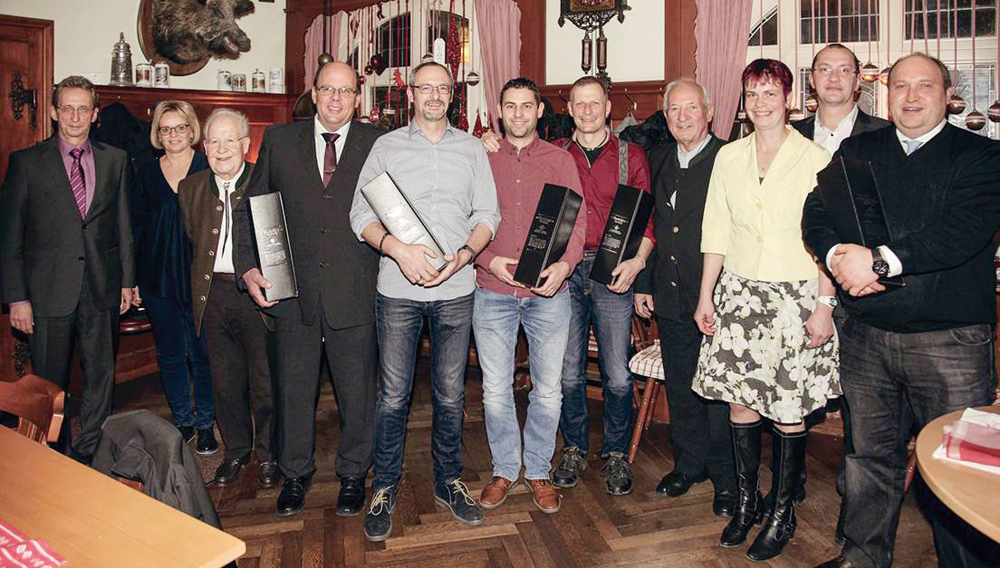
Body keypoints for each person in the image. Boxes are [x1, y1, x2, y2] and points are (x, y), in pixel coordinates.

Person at [804, 52, 1000, 568]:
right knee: (868, 459)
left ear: (948, 93)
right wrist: (835, 256)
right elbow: (817, 211)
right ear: (885, 95)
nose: (911, 97)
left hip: (951, 342)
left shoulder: (982, 156)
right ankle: (863, 557)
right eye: (900, 87)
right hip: (867, 336)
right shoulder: (859, 149)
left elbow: (960, 233)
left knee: (958, 469)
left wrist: (881, 263)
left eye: (924, 86)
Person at [692, 59, 840, 561]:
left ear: (789, 98)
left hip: (794, 297)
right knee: (740, 403)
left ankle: (783, 511)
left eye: (770, 92)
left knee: (788, 408)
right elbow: (715, 229)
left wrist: (823, 305)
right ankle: (748, 504)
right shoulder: (729, 157)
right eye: (752, 93)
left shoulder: (816, 157)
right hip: (738, 294)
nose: (760, 102)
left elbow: (827, 240)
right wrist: (705, 294)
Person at [350, 61, 500, 542]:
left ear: (451, 95)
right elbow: (361, 214)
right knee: (393, 396)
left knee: (451, 395)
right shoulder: (385, 147)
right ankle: (385, 485)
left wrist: (465, 255)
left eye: (443, 88)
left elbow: (488, 215)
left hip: (457, 291)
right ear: (410, 94)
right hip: (398, 290)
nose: (434, 95)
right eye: (426, 88)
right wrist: (396, 249)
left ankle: (449, 481)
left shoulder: (472, 148)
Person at [485, 75, 654, 495]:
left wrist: (638, 261)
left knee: (616, 372)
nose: (587, 111)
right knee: (568, 372)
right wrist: (488, 140)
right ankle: (575, 447)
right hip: (559, 270)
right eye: (578, 104)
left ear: (607, 108)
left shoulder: (630, 155)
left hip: (611, 269)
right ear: (568, 110)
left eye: (594, 103)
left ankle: (615, 453)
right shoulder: (556, 153)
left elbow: (647, 218)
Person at [234, 61, 384, 518]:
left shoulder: (379, 144)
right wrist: (248, 268)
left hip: (355, 290)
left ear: (358, 98)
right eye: (327, 90)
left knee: (358, 392)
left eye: (346, 91)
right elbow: (251, 210)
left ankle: (355, 474)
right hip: (291, 291)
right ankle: (295, 474)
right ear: (313, 94)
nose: (336, 99)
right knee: (293, 389)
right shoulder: (279, 142)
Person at [0, 75, 134, 462]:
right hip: (47, 291)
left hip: (101, 287)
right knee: (49, 382)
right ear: (55, 113)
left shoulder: (115, 160)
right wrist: (17, 298)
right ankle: (53, 454)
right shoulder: (26, 163)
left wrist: (127, 280)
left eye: (83, 108)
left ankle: (93, 449)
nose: (75, 116)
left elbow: (123, 224)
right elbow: (10, 238)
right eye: (67, 108)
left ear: (95, 115)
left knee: (100, 377)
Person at [474, 77, 586, 515]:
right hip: (493, 291)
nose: (518, 114)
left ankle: (538, 470)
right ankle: (505, 469)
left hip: (547, 293)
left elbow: (576, 224)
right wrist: (487, 259)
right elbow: (465, 218)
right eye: (510, 106)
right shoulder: (480, 157)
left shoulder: (560, 160)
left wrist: (565, 266)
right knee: (495, 390)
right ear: (499, 111)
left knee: (548, 390)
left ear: (540, 111)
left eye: (527, 106)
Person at [793, 42, 891, 545]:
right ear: (811, 81)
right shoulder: (789, 136)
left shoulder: (886, 136)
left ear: (860, 80)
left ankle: (857, 502)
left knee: (862, 403)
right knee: (793, 390)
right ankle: (789, 489)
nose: (833, 78)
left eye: (844, 70)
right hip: (800, 285)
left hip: (866, 289)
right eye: (823, 70)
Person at [633, 78, 735, 515]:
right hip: (669, 295)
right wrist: (643, 283)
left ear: (708, 111)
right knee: (681, 385)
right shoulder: (658, 158)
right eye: (673, 109)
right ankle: (688, 464)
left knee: (719, 391)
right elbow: (652, 224)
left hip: (719, 297)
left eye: (691, 107)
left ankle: (728, 479)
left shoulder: (731, 157)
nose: (682, 116)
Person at [179, 108, 277, 489]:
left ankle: (270, 454)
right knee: (224, 382)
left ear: (246, 145)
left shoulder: (264, 183)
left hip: (255, 296)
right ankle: (236, 450)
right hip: (212, 296)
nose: (221, 149)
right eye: (214, 141)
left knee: (265, 382)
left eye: (229, 141)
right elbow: (192, 240)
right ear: (205, 146)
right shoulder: (190, 189)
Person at [132, 100, 217, 455]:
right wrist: (133, 279)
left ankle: (207, 423)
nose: (172, 135)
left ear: (192, 130)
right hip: (157, 275)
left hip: (200, 276)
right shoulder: (144, 171)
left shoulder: (207, 166)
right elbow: (135, 226)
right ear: (157, 134)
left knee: (202, 353)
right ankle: (182, 419)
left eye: (179, 128)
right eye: (165, 129)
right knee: (169, 352)